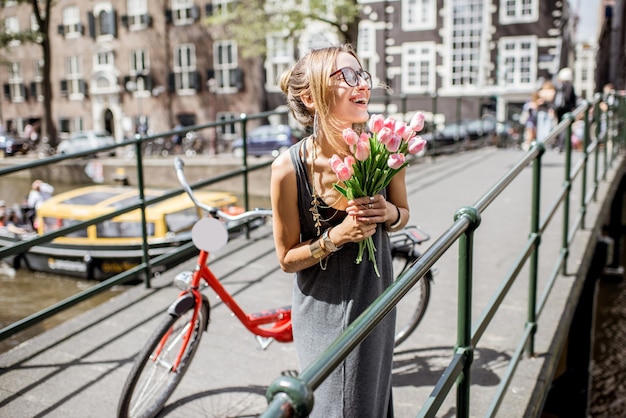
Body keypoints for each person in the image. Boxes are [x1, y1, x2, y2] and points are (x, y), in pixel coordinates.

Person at [270, 44, 409, 417]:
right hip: (320, 311)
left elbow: (404, 215)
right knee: (332, 407)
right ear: (310, 97)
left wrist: (387, 212)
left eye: (361, 74)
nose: (360, 84)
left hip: (375, 299)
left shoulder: (384, 146)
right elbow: (286, 259)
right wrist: (336, 237)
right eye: (345, 77)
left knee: (370, 399)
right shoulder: (288, 168)